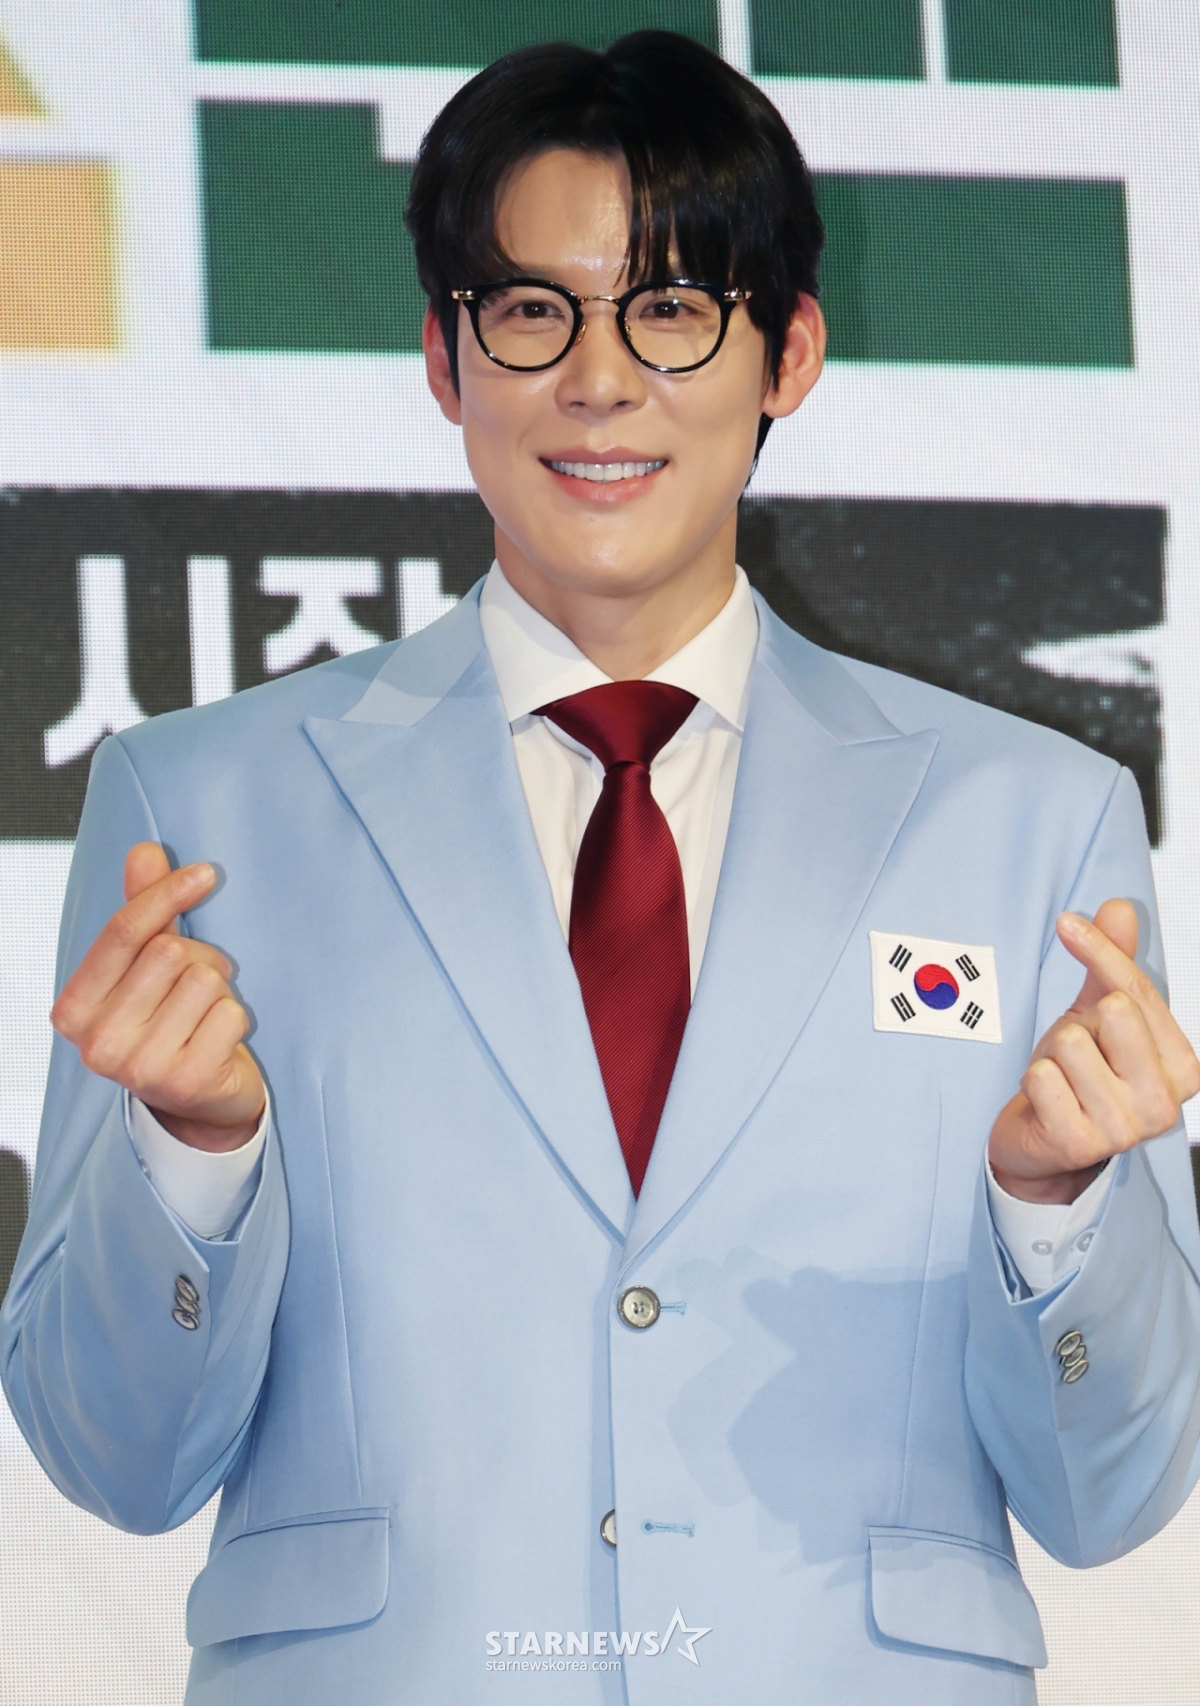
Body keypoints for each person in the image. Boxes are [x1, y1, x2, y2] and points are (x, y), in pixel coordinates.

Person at [3, 31, 1199, 1706]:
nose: (600, 380)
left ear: (789, 354)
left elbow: (1112, 1493)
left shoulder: (1032, 823)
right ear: (446, 358)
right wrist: (192, 1156)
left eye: (673, 308)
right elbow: (111, 1458)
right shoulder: (200, 811)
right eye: (531, 311)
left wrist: (1058, 1211)